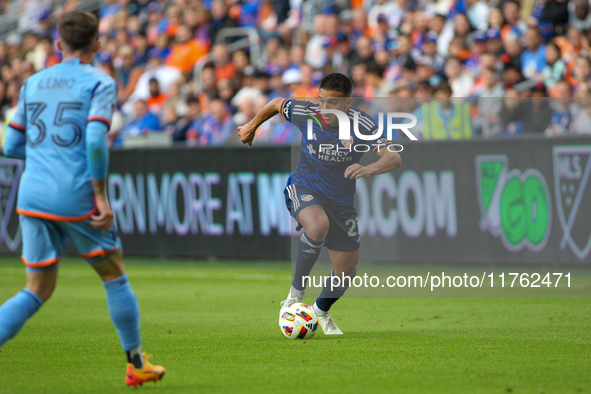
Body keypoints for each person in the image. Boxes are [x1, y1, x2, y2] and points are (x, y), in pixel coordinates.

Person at [0, 11, 165, 387]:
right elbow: (94, 140)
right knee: (114, 274)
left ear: (58, 45)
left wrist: (44, 156)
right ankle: (136, 364)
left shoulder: (33, 82)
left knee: (36, 288)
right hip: (74, 193)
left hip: (32, 194)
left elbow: (11, 145)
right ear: (98, 45)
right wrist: (100, 196)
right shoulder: (99, 82)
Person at [238, 73, 401, 334]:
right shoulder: (306, 111)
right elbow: (276, 103)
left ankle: (318, 312)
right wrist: (251, 126)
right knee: (317, 225)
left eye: (333, 103)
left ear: (348, 103)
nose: (325, 108)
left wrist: (369, 169)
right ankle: (293, 297)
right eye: (322, 100)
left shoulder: (363, 124)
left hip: (341, 201)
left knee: (347, 271)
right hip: (304, 186)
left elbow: (393, 158)